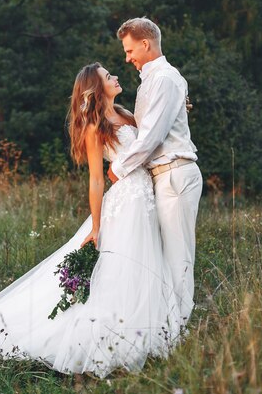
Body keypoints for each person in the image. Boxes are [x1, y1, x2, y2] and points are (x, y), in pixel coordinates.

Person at [0, 62, 183, 378]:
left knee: (146, 262)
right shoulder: (94, 127)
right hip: (125, 201)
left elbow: (154, 134)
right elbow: (96, 180)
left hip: (147, 196)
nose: (115, 77)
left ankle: (147, 326)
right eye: (107, 77)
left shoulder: (128, 114)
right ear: (96, 88)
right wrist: (98, 226)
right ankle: (115, 336)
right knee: (122, 266)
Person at [108, 17, 203, 325]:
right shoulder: (155, 79)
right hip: (164, 177)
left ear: (145, 44)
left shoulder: (163, 78)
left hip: (174, 175)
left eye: (130, 49)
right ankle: (166, 322)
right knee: (165, 254)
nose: (127, 58)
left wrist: (118, 169)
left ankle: (178, 330)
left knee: (178, 256)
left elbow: (152, 137)